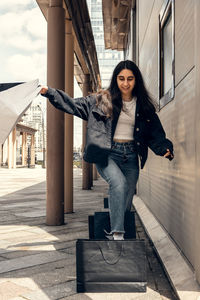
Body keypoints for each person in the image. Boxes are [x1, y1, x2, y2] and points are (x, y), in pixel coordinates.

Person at [40, 60, 174, 240]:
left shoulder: (143, 107)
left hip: (131, 155)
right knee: (118, 184)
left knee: (125, 199)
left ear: (136, 81)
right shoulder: (102, 101)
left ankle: (115, 232)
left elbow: (154, 133)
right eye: (121, 78)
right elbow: (73, 104)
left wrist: (164, 148)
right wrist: (50, 92)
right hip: (108, 153)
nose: (125, 83)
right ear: (115, 79)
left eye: (130, 79)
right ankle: (118, 236)